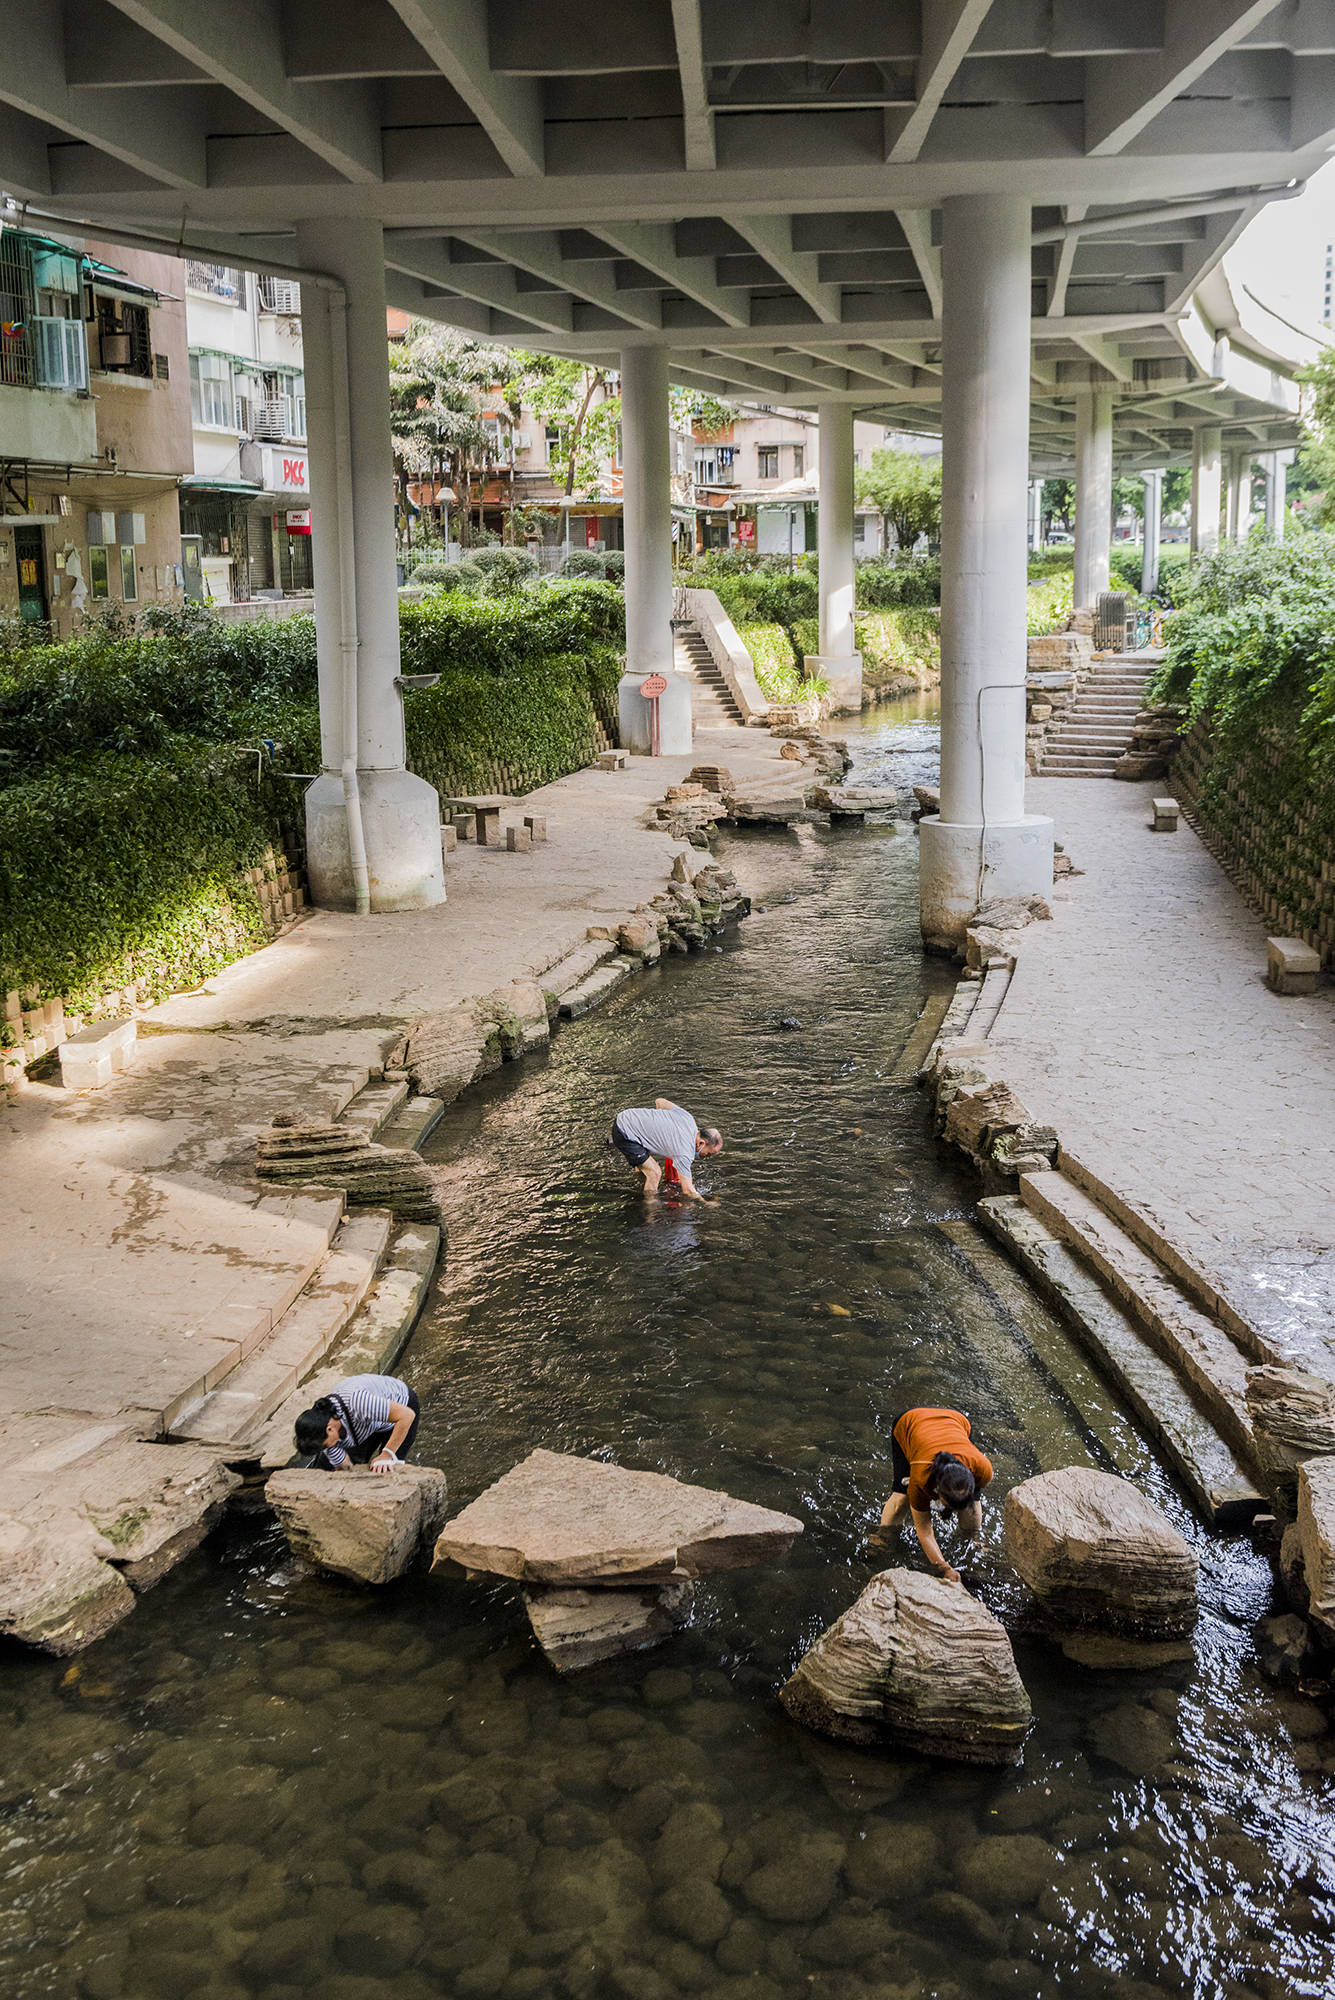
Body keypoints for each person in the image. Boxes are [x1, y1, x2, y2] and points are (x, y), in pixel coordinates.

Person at [876, 1406, 993, 1584]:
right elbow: (924, 1531)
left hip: (956, 1421)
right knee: (901, 1497)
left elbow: (973, 1502)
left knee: (973, 1507)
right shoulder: (921, 1478)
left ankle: (973, 1540)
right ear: (937, 1490)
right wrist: (944, 1567)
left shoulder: (982, 1469)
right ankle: (881, 1539)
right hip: (910, 1423)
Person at [293, 1374, 421, 1474]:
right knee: (330, 1465)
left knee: (388, 1466)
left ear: (330, 1430)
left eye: (326, 1445)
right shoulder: (324, 1434)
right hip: (367, 1422)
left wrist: (387, 1454)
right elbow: (344, 1468)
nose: (328, 1448)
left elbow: (407, 1415)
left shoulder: (358, 1402)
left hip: (401, 1409)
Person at [611, 1097, 722, 1202]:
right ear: (701, 1143)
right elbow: (688, 1190)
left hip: (627, 1115)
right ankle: (650, 1211)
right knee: (654, 1173)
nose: (706, 1157)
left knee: (645, 1164)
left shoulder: (688, 1118)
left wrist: (658, 1126)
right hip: (624, 1133)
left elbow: (660, 1101)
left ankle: (639, 1182)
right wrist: (706, 1203)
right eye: (708, 1154)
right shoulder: (684, 1153)